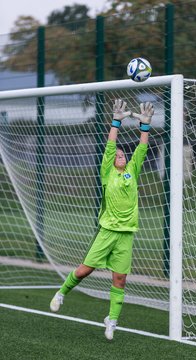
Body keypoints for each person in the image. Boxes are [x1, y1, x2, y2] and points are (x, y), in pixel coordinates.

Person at [50, 99, 154, 340]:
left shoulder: (132, 170)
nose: (119, 154)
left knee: (120, 278)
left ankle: (112, 320)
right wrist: (116, 122)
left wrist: (145, 127)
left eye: (122, 154)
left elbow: (141, 149)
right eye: (117, 154)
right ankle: (62, 292)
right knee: (85, 270)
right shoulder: (107, 174)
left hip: (126, 234)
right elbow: (110, 145)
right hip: (106, 231)